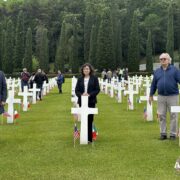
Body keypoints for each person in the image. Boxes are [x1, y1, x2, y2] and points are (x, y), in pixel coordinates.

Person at [149, 53, 180, 140]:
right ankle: (163, 133)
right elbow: (153, 84)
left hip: (173, 96)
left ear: (169, 60)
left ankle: (173, 134)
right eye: (161, 59)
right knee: (161, 115)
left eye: (164, 59)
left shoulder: (175, 70)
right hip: (161, 96)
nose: (162, 60)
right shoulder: (157, 71)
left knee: (173, 115)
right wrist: (151, 94)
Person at [75, 63, 100, 143]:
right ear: (82, 70)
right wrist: (82, 95)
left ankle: (89, 138)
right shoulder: (80, 79)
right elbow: (76, 90)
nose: (86, 70)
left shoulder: (94, 78)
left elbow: (97, 89)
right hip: (82, 101)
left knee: (90, 119)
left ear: (90, 70)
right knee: (83, 119)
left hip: (91, 100)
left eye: (88, 69)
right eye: (85, 69)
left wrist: (89, 95)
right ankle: (83, 136)